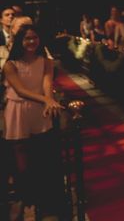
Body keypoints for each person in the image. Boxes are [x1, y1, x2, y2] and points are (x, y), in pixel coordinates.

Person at [2, 24, 65, 219]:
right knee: (21, 150)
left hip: (38, 108)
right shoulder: (10, 64)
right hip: (18, 108)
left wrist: (49, 100)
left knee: (40, 149)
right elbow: (20, 90)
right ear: (20, 41)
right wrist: (46, 100)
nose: (31, 42)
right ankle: (24, 194)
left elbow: (47, 83)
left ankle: (42, 197)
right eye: (27, 39)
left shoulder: (45, 61)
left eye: (34, 38)